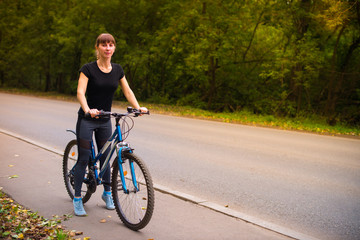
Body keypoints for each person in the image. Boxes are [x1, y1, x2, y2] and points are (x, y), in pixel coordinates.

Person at [73, 33, 147, 216]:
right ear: (97, 47)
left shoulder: (117, 70)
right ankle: (77, 199)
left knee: (106, 157)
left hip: (105, 119)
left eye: (111, 45)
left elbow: (127, 91)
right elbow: (80, 92)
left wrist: (138, 108)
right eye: (104, 44)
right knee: (83, 157)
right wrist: (88, 109)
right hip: (87, 119)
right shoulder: (88, 69)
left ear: (114, 48)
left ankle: (107, 194)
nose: (107, 48)